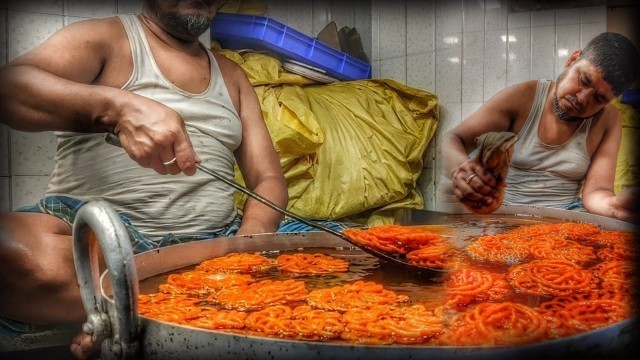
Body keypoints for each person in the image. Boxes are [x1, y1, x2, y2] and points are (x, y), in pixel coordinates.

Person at [0, 0, 356, 358]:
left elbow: (268, 180)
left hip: (216, 247)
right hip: (107, 251)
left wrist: (244, 254)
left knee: (360, 246)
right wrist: (116, 110)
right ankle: (177, 300)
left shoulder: (232, 76)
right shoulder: (104, 37)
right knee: (17, 251)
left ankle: (123, 308)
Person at [443, 32, 640, 223]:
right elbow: (451, 140)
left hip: (565, 218)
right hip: (501, 211)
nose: (582, 99)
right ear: (572, 60)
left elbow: (597, 191)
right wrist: (460, 170)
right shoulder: (523, 97)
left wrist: (615, 207)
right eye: (584, 80)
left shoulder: (608, 118)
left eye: (599, 99)